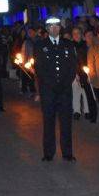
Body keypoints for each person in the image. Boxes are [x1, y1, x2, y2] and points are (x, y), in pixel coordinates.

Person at [34, 17, 77, 162]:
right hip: (49, 91)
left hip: (64, 90)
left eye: (57, 26)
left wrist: (65, 83)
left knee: (66, 123)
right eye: (51, 26)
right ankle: (48, 153)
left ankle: (67, 152)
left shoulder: (68, 45)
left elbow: (72, 67)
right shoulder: (40, 46)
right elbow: (40, 69)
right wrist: (51, 85)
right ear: (47, 29)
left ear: (60, 28)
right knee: (48, 122)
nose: (54, 29)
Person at [71, 27, 91, 121]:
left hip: (86, 71)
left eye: (78, 33)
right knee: (76, 92)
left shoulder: (85, 45)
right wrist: (75, 73)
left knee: (86, 92)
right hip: (75, 72)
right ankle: (77, 111)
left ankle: (87, 111)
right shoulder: (71, 46)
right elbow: (71, 60)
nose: (76, 35)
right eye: (74, 33)